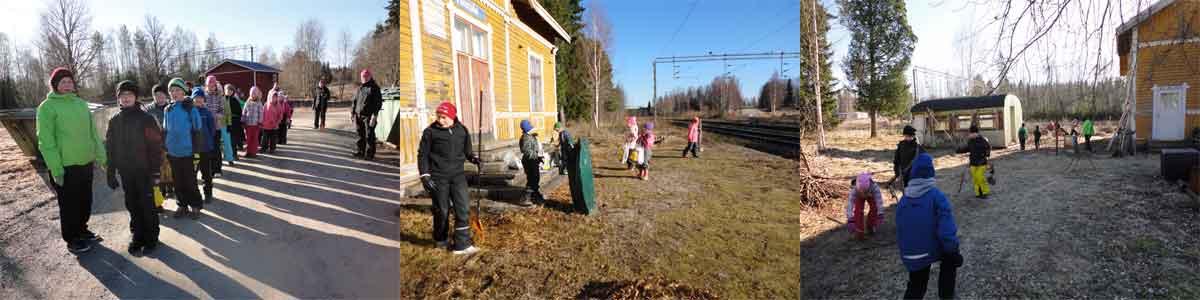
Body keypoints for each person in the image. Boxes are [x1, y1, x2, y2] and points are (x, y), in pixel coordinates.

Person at [37, 67, 108, 254]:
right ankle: (72, 238)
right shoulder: (47, 107)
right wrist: (56, 168)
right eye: (63, 82)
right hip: (65, 166)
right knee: (69, 205)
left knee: (85, 201)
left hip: (85, 162)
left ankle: (82, 230)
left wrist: (102, 157)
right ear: (55, 85)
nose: (68, 85)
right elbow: (46, 141)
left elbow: (93, 133)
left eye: (70, 81)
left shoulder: (81, 104)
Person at [105, 80, 163, 256]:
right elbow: (110, 148)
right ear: (118, 99)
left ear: (135, 97)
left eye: (130, 95)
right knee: (132, 204)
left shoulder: (146, 119)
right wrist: (110, 172)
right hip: (126, 172)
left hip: (144, 171)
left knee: (147, 204)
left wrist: (155, 170)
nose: (126, 98)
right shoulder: (114, 121)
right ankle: (138, 236)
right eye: (123, 95)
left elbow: (155, 146)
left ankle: (151, 237)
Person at [417, 102, 482, 255]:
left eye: (444, 117)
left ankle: (462, 244)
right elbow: (423, 155)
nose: (440, 120)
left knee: (463, 208)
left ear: (453, 116)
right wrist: (424, 174)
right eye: (438, 117)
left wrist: (474, 158)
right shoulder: (430, 132)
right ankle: (441, 239)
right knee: (442, 210)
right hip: (438, 177)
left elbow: (467, 151)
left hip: (458, 176)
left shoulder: (462, 130)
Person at [896, 153, 962, 299]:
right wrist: (954, 251)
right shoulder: (936, 196)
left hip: (909, 254)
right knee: (950, 258)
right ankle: (947, 295)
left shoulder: (903, 200)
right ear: (931, 173)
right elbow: (947, 231)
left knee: (916, 285)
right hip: (929, 250)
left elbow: (900, 230)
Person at [163, 78, 204, 219]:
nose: (174, 93)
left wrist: (196, 152)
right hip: (173, 152)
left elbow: (197, 130)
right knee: (177, 181)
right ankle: (182, 205)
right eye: (172, 91)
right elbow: (165, 131)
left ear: (183, 91)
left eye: (178, 90)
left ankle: (196, 205)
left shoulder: (190, 108)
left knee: (190, 181)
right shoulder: (167, 109)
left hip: (188, 152)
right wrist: (165, 148)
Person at [190, 88, 218, 204]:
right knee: (193, 174)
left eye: (200, 98)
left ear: (204, 99)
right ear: (192, 99)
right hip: (193, 149)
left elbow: (212, 129)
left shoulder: (207, 112)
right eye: (196, 98)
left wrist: (208, 141)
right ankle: (194, 195)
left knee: (206, 173)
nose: (198, 100)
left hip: (205, 148)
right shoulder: (190, 112)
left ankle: (208, 193)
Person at [352, 69, 383, 160]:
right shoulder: (360, 88)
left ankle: (370, 154)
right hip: (358, 115)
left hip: (368, 116)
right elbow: (355, 101)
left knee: (369, 135)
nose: (364, 78)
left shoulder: (374, 88)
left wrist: (374, 115)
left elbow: (378, 103)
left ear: (370, 77)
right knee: (360, 134)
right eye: (362, 76)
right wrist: (352, 113)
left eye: (366, 76)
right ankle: (360, 151)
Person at [955, 125, 991, 199]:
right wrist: (958, 150)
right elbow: (967, 148)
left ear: (975, 133)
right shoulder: (970, 141)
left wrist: (987, 154)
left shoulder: (982, 140)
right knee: (975, 179)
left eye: (971, 133)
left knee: (980, 177)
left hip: (982, 163)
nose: (970, 134)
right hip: (973, 163)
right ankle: (978, 193)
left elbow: (988, 148)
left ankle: (985, 192)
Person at [846, 173, 883, 240]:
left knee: (875, 208)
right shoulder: (854, 190)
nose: (864, 195)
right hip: (858, 195)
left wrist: (880, 214)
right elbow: (850, 204)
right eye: (862, 192)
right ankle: (859, 231)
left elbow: (879, 201)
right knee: (858, 211)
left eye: (865, 192)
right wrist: (850, 219)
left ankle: (870, 226)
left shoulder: (874, 187)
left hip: (870, 195)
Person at [202, 76, 227, 176]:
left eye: (212, 85)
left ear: (215, 86)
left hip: (216, 126)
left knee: (216, 147)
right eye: (209, 85)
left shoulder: (219, 96)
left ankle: (217, 169)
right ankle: (209, 169)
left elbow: (222, 110)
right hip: (206, 127)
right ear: (206, 85)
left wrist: (218, 115)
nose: (211, 87)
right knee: (208, 148)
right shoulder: (203, 95)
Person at [519, 120, 542, 206]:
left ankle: (535, 195)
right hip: (529, 161)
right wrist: (536, 156)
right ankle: (526, 198)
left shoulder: (530, 136)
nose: (532, 130)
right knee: (532, 179)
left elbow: (533, 149)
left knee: (535, 178)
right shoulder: (526, 138)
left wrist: (538, 158)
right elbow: (527, 151)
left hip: (533, 160)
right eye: (530, 129)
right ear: (527, 129)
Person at [241, 86, 264, 158]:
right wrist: (243, 121)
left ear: (256, 95)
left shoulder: (259, 103)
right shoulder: (247, 102)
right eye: (251, 94)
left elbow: (261, 113)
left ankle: (253, 152)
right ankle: (248, 152)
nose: (253, 95)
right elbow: (244, 112)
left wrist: (260, 122)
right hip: (248, 125)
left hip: (255, 125)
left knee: (254, 139)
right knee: (248, 139)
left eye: (254, 94)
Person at [261, 88, 285, 154]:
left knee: (273, 139)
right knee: (264, 138)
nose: (274, 99)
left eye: (275, 97)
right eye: (272, 97)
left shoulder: (278, 106)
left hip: (274, 126)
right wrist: (262, 122)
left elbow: (280, 115)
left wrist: (278, 122)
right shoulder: (266, 104)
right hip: (266, 125)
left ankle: (272, 148)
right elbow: (262, 113)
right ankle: (264, 148)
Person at [224, 83, 244, 158]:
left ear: (233, 91)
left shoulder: (235, 100)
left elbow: (239, 111)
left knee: (234, 140)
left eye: (230, 90)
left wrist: (239, 120)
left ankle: (234, 154)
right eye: (227, 90)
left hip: (235, 123)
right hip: (226, 122)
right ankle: (227, 154)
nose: (229, 91)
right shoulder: (223, 100)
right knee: (226, 139)